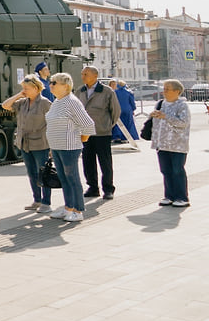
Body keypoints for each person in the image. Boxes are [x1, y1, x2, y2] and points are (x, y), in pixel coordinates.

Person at [45, 73, 95, 222]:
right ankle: (68, 207)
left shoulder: (72, 102)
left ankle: (78, 210)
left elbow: (88, 124)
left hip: (69, 147)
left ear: (65, 85)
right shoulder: (57, 102)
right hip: (57, 146)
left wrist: (79, 141)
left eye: (55, 83)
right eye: (51, 82)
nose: (51, 85)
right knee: (64, 178)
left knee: (72, 178)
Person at [2, 75, 53, 213]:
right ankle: (37, 200)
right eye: (23, 88)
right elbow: (5, 105)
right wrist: (19, 94)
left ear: (36, 88)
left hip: (40, 143)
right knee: (32, 173)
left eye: (27, 88)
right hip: (24, 143)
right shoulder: (22, 102)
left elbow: (53, 123)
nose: (24, 90)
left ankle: (46, 203)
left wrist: (52, 146)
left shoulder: (45, 103)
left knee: (43, 173)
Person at [75, 66, 122, 199]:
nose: (83, 76)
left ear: (95, 76)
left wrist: (107, 126)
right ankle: (93, 187)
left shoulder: (107, 91)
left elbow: (116, 111)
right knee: (87, 161)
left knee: (105, 162)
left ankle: (108, 189)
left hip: (102, 132)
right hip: (85, 133)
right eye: (82, 74)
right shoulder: (80, 91)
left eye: (86, 74)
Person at [150, 79, 191, 207]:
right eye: (164, 88)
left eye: (167, 89)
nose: (164, 91)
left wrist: (165, 116)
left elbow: (183, 123)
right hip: (162, 144)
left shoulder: (182, 105)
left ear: (177, 91)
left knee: (177, 170)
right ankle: (169, 196)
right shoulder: (161, 103)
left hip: (177, 145)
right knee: (165, 170)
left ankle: (182, 197)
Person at [109, 79, 139, 145]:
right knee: (128, 123)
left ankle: (118, 136)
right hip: (128, 110)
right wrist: (133, 109)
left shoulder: (115, 92)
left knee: (118, 124)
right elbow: (132, 103)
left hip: (118, 109)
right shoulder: (129, 92)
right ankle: (127, 137)